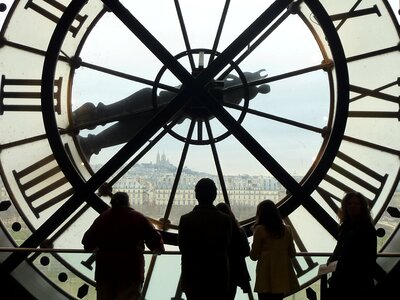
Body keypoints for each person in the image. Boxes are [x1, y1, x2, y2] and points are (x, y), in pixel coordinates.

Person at [81, 192, 165, 300]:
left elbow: (87, 242)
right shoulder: (138, 218)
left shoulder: (102, 219)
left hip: (105, 271)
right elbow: (154, 239)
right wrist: (158, 248)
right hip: (131, 271)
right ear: (128, 202)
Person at [178, 178, 232, 300]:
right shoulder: (225, 220)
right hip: (218, 275)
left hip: (193, 276)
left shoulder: (186, 219)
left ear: (196, 194)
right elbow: (226, 245)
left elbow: (183, 247)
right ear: (214, 195)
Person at [327, 191, 377, 300]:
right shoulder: (367, 227)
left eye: (355, 203)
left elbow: (340, 247)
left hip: (343, 280)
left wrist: (332, 261)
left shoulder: (345, 226)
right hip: (358, 282)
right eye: (350, 204)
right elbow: (370, 256)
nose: (352, 206)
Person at [250, 200, 299, 300]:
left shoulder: (259, 230)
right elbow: (292, 253)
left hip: (265, 277)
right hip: (281, 277)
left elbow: (253, 256)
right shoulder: (287, 230)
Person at [216, 202, 252, 300]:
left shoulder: (214, 232)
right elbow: (246, 251)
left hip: (216, 271)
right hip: (234, 272)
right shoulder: (239, 231)